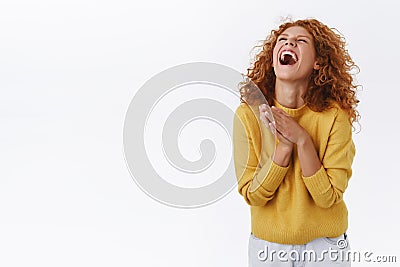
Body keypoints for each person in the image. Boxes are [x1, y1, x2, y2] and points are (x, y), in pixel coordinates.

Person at [233, 18, 360, 266]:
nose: (289, 42)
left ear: (317, 63)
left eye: (301, 41)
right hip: (268, 248)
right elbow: (253, 195)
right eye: (283, 40)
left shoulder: (334, 117)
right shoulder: (248, 116)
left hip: (325, 247)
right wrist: (283, 148)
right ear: (273, 59)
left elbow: (328, 197)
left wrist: (302, 140)